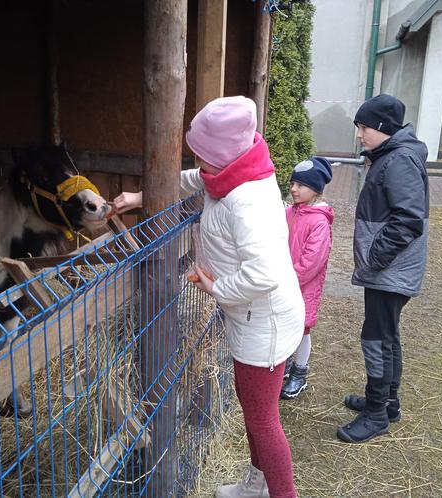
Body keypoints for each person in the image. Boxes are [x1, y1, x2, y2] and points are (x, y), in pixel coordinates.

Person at [114, 96, 303, 498]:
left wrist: (216, 287)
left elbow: (263, 274)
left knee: (263, 420)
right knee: (255, 410)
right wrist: (138, 197)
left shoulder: (246, 200)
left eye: (204, 156)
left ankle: (281, 494)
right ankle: (257, 486)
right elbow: (192, 180)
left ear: (224, 155)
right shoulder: (231, 171)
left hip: (263, 320)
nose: (200, 165)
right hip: (252, 315)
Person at [337, 93, 429, 443]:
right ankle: (387, 402)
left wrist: (374, 258)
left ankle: (376, 414)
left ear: (381, 127)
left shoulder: (400, 161)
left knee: (375, 338)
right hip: (391, 268)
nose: (360, 134)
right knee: (387, 335)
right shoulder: (392, 156)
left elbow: (408, 220)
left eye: (363, 128)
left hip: (390, 269)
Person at [280, 157, 334, 400]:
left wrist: (288, 280)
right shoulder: (289, 212)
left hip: (302, 287)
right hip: (284, 282)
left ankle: (300, 372)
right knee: (284, 325)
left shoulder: (319, 222)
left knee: (301, 329)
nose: (294, 189)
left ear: (316, 190)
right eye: (293, 183)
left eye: (301, 185)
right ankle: (286, 365)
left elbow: (312, 262)